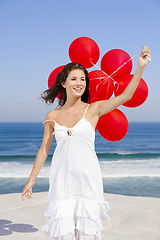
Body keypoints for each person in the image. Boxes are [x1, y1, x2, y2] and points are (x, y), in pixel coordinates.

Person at [21, 46, 151, 240]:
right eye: (74, 79)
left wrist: (140, 67)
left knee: (87, 235)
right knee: (64, 235)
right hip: (62, 182)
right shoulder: (52, 116)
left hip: (88, 181)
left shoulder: (94, 109)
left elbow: (126, 96)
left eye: (82, 79)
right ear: (63, 83)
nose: (79, 83)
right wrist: (31, 180)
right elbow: (44, 150)